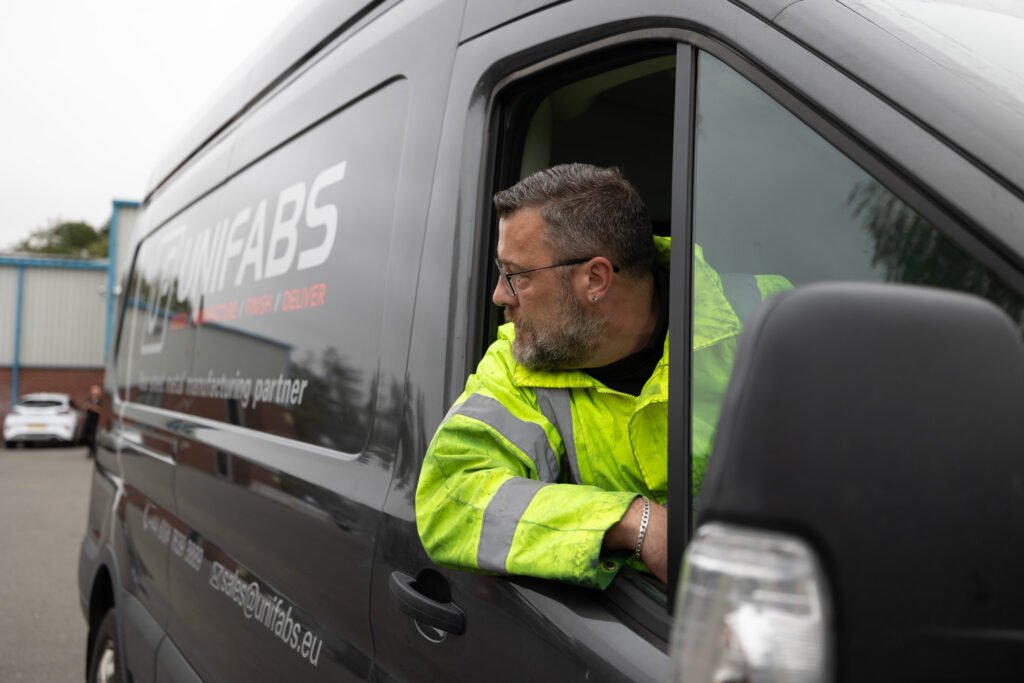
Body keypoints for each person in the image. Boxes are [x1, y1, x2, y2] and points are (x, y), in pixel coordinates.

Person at [415, 163, 788, 589]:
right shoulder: (516, 365)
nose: (500, 295)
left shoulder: (770, 316)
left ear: (595, 278)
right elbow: (451, 499)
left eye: (515, 275)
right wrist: (633, 522)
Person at [82, 384, 102, 458]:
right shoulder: (89, 400)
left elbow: (101, 411)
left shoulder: (100, 402)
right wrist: (87, 406)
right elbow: (84, 408)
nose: (94, 395)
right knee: (86, 436)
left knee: (93, 437)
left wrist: (95, 408)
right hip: (89, 420)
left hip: (96, 421)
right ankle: (91, 448)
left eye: (95, 394)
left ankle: (92, 451)